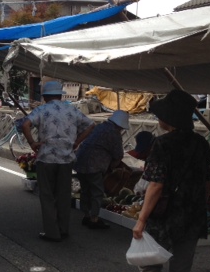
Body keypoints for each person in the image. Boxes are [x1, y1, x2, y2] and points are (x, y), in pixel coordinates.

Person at [132, 89, 210, 272]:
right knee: (180, 268)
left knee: (147, 266)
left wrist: (141, 219)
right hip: (194, 213)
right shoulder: (201, 143)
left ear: (171, 118)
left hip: (167, 216)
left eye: (162, 114)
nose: (159, 118)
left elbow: (155, 185)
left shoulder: (163, 144)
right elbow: (208, 181)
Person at [21, 80, 95, 242]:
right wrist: (77, 141)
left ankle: (51, 232)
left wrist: (33, 143)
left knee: (47, 196)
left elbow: (25, 124)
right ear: (59, 95)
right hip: (66, 159)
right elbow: (91, 125)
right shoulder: (71, 110)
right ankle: (63, 229)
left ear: (45, 96)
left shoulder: (41, 109)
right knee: (63, 195)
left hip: (46, 158)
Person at [75, 110, 130, 229]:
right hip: (94, 165)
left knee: (85, 190)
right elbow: (118, 155)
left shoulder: (99, 127)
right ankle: (94, 219)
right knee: (97, 192)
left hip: (80, 161)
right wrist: (112, 167)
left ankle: (86, 215)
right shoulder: (114, 133)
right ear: (120, 125)